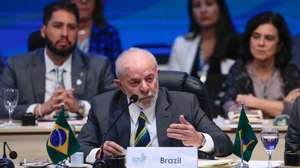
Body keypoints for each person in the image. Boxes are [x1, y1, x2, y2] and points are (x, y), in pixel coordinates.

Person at [78, 48, 232, 163]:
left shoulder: (184, 103)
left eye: (150, 78)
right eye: (135, 82)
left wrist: (200, 140)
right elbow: (77, 148)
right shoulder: (103, 106)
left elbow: (225, 145)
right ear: (120, 85)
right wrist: (99, 154)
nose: (145, 87)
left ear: (157, 75)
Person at [0, 1, 115, 120]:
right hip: (32, 137)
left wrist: (80, 107)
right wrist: (39, 109)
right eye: (58, 26)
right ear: (43, 31)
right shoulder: (16, 66)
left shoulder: (98, 66)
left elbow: (114, 107)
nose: (65, 33)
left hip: (81, 137)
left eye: (71, 27)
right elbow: (1, 107)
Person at [168, 0, 240, 118]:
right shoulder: (181, 43)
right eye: (197, 6)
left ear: (220, 8)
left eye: (209, 4)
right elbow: (172, 87)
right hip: (187, 116)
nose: (203, 10)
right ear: (191, 12)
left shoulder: (236, 43)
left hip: (226, 117)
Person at [220, 11, 300, 118]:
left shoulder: (290, 72)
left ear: (279, 45)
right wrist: (282, 106)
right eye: (256, 36)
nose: (261, 43)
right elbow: (230, 110)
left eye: (269, 38)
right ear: (249, 40)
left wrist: (252, 102)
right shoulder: (238, 70)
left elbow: (296, 112)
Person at [28, 0, 122, 66]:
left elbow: (116, 73)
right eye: (58, 26)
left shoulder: (109, 34)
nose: (84, 1)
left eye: (71, 27)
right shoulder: (40, 39)